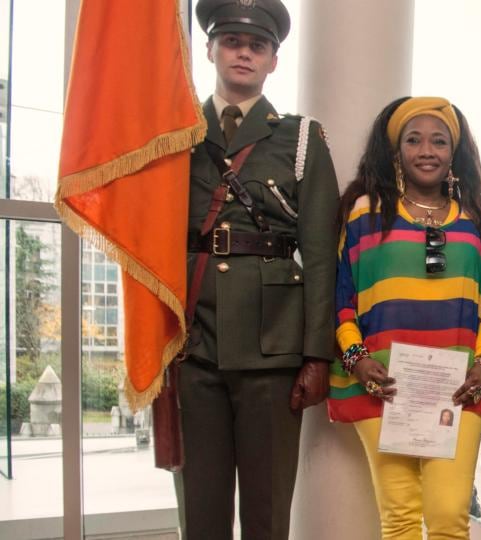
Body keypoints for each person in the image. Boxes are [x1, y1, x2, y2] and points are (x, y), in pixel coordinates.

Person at [179, 1, 340, 538]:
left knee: (268, 512)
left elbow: (320, 255)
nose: (243, 53)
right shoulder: (175, 133)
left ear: (273, 60)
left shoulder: (300, 139)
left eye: (257, 46)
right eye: (230, 41)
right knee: (200, 510)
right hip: (191, 342)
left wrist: (317, 354)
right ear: (209, 50)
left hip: (273, 347)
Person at [328, 96, 481, 539]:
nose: (426, 150)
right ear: (396, 152)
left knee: (448, 516)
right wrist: (357, 359)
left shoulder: (477, 223)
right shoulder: (363, 214)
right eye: (414, 140)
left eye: (439, 141)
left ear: (454, 154)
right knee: (400, 518)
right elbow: (340, 298)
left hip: (457, 389)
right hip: (382, 385)